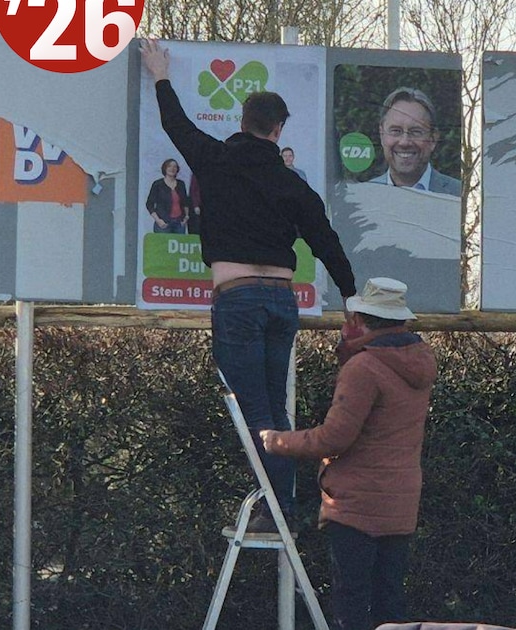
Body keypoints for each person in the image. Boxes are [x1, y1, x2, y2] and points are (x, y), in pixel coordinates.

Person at [140, 39, 358, 532]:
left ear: (242, 121)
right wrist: (350, 294)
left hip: (237, 299)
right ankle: (280, 498)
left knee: (255, 408)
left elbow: (175, 124)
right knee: (272, 405)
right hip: (282, 300)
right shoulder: (293, 184)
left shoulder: (214, 160)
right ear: (278, 129)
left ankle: (280, 506)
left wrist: (160, 74)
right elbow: (325, 241)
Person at [261, 277, 436, 630]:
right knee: (390, 603)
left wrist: (276, 441)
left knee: (351, 604)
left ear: (360, 320)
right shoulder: (420, 363)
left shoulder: (364, 367)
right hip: (400, 503)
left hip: (357, 506)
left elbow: (334, 438)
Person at [369, 87, 461, 195]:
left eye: (416, 132)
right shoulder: (364, 196)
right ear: (382, 135)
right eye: (396, 131)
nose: (404, 142)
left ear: (433, 139)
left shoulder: (461, 196)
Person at [145, 158, 191, 233]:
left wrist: (186, 217)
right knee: (162, 244)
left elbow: (185, 202)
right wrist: (158, 220)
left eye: (175, 167)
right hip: (163, 223)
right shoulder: (158, 184)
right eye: (169, 166)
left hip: (179, 223)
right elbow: (149, 204)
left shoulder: (181, 184)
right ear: (165, 168)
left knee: (178, 244)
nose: (172, 169)